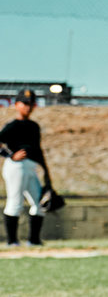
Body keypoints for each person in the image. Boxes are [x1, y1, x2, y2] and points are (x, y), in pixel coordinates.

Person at [1, 89, 55, 246]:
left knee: (40, 203)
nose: (28, 107)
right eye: (24, 103)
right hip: (16, 167)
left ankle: (34, 240)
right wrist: (10, 155)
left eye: (30, 104)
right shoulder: (12, 126)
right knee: (15, 202)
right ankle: (12, 242)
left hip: (31, 166)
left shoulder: (34, 126)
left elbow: (38, 150)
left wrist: (46, 174)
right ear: (16, 105)